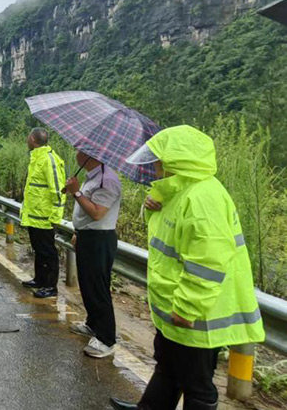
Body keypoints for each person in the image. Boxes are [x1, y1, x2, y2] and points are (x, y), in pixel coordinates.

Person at [111, 125, 265, 410]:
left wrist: (186, 306)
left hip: (198, 314)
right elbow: (169, 241)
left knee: (197, 385)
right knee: (168, 366)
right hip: (176, 306)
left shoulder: (203, 198)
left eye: (159, 159)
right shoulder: (178, 193)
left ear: (176, 162)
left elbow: (208, 260)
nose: (155, 165)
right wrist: (154, 209)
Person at [65, 151, 122, 358]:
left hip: (100, 239)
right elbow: (86, 215)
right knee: (87, 285)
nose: (77, 153)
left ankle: (107, 339)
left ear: (92, 155)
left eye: (81, 151)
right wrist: (78, 231)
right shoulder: (94, 177)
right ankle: (92, 324)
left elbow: (98, 212)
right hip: (88, 236)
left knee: (98, 288)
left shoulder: (108, 180)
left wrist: (76, 192)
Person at [20, 127, 66, 299]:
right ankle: (39, 279)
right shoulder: (36, 158)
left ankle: (50, 286)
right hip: (33, 215)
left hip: (45, 217)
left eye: (27, 136)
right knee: (38, 249)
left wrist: (55, 217)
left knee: (48, 252)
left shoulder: (49, 159)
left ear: (32, 139)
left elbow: (58, 190)